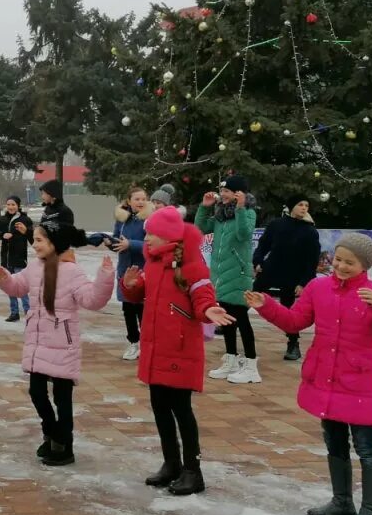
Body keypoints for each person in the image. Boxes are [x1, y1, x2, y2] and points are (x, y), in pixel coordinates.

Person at [246, 234, 372, 515]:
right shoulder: (318, 287)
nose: (340, 266)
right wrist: (267, 306)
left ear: (364, 265)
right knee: (335, 442)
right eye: (337, 259)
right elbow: (294, 322)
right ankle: (342, 501)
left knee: (367, 447)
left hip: (358, 384)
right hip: (325, 379)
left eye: (349, 262)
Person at [121, 206, 236, 496]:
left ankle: (192, 471)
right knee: (160, 407)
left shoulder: (192, 266)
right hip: (156, 348)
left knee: (181, 410)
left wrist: (209, 309)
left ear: (169, 236)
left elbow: (203, 296)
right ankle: (170, 463)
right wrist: (131, 286)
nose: (146, 238)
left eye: (152, 234)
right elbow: (140, 296)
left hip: (180, 350)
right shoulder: (154, 264)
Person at [0, 219, 115, 466]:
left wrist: (103, 278)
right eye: (35, 240)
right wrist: (4, 277)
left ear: (54, 243)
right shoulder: (35, 268)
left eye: (39, 240)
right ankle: (52, 433)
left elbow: (91, 300)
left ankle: (64, 446)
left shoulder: (71, 271)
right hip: (38, 342)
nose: (35, 245)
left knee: (62, 398)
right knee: (36, 392)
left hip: (63, 343)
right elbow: (18, 287)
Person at [196, 175, 260, 384]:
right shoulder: (221, 215)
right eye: (221, 190)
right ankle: (231, 358)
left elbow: (243, 234)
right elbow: (200, 229)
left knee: (242, 319)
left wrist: (241, 209)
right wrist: (205, 208)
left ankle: (251, 365)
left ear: (238, 194)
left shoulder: (248, 213)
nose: (222, 194)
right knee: (227, 318)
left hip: (238, 275)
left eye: (227, 191)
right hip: (220, 275)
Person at [252, 196, 320, 361]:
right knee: (252, 294)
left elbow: (312, 260)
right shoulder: (277, 225)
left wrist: (304, 282)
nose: (304, 208)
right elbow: (263, 245)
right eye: (300, 204)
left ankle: (293, 342)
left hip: (293, 275)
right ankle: (232, 324)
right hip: (272, 269)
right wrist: (258, 262)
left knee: (289, 309)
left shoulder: (310, 231)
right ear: (291, 207)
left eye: (306, 205)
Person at [112, 187, 150, 361]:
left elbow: (151, 245)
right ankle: (133, 342)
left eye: (143, 199)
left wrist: (131, 244)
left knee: (142, 310)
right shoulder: (122, 219)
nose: (141, 202)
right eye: (137, 199)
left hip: (142, 272)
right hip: (124, 270)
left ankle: (146, 343)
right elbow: (117, 240)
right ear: (129, 201)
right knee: (128, 309)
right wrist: (109, 242)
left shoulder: (149, 220)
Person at [0, 196, 34, 323]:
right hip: (6, 260)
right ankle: (14, 313)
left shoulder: (25, 219)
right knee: (9, 286)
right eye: (8, 204)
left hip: (19, 259)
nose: (10, 207)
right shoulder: (3, 220)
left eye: (13, 204)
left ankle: (28, 312)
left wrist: (26, 231)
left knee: (22, 287)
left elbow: (33, 238)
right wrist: (2, 235)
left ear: (18, 206)